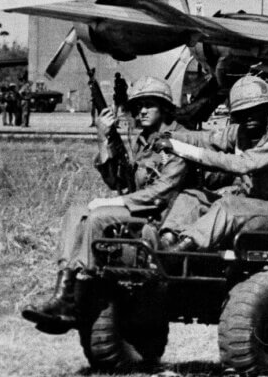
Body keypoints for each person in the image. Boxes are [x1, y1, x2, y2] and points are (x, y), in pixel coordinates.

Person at [21, 77, 197, 334]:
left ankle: (76, 296)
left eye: (150, 105)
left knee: (97, 217)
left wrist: (113, 201)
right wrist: (104, 139)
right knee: (76, 213)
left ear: (165, 107)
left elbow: (161, 193)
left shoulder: (179, 140)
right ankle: (63, 293)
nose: (142, 111)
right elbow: (119, 181)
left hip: (164, 221)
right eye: (138, 107)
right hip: (138, 213)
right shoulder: (143, 140)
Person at [156, 75, 268, 253]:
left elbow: (241, 164)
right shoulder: (242, 132)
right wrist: (172, 136)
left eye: (256, 109)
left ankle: (179, 252)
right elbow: (206, 138)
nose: (249, 117)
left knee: (228, 206)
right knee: (191, 197)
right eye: (242, 113)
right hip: (253, 202)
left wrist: (180, 148)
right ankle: (165, 242)